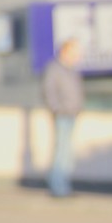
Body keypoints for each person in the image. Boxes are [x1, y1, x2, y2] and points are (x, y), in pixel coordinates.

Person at [41, 38, 84, 198]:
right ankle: (57, 187)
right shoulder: (55, 69)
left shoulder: (71, 70)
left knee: (67, 153)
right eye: (74, 51)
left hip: (72, 114)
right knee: (61, 151)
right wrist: (57, 109)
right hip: (62, 115)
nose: (78, 55)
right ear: (65, 51)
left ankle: (64, 185)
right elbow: (49, 91)